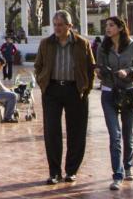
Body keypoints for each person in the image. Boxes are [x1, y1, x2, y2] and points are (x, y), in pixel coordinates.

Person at [34, 10, 95, 185]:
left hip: (74, 90)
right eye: (55, 25)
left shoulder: (81, 43)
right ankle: (54, 172)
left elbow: (91, 68)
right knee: (51, 131)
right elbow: (38, 65)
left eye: (61, 25)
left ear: (70, 26)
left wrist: (86, 88)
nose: (57, 28)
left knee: (76, 131)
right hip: (52, 90)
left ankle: (71, 170)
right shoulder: (46, 43)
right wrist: (42, 82)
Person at [96, 16, 133, 190]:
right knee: (114, 134)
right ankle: (117, 174)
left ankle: (128, 165)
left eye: (111, 25)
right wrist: (99, 72)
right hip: (109, 92)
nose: (107, 28)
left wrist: (129, 71)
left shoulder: (132, 46)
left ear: (120, 27)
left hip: (128, 92)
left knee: (127, 132)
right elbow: (99, 66)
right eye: (106, 25)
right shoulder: (103, 47)